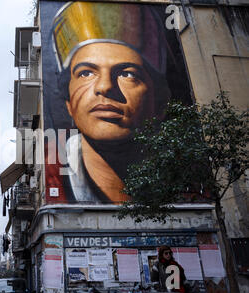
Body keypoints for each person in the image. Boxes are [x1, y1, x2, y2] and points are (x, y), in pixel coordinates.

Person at [51, 2, 172, 203]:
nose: (105, 86)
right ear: (68, 103)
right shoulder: (52, 175)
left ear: (160, 103)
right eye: (86, 73)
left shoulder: (188, 180)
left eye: (127, 73)